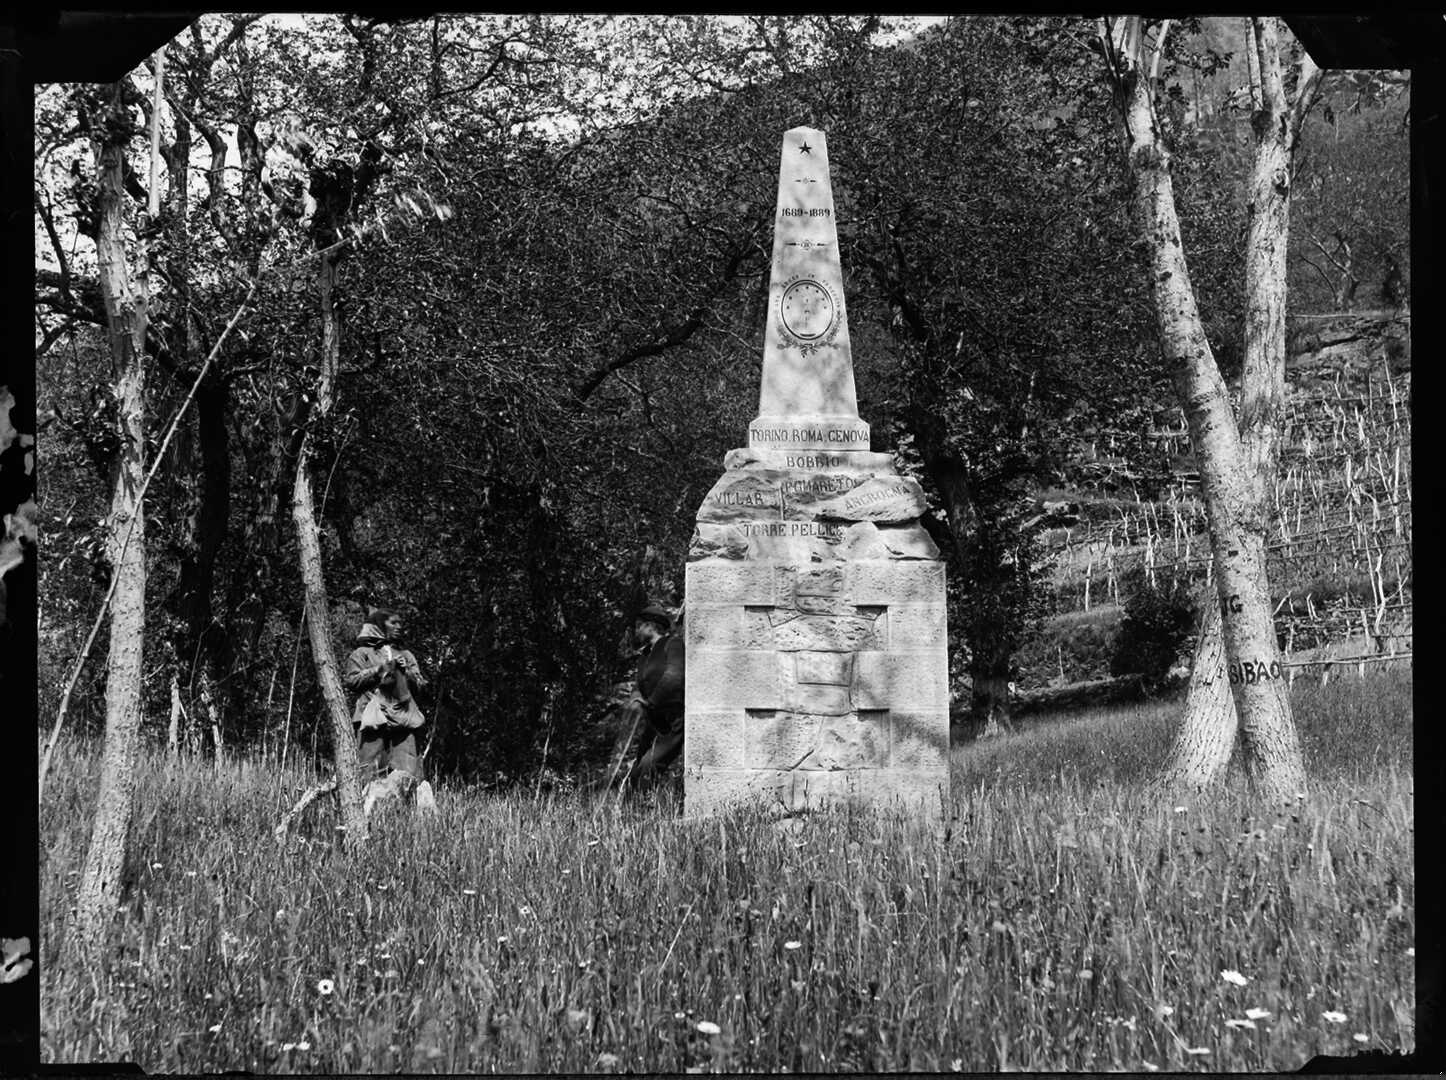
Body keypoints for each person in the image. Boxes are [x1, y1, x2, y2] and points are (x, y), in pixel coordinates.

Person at [343, 608, 428, 791]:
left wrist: (408, 673)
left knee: (407, 775)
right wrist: (379, 670)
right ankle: (365, 815)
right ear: (378, 626)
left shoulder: (406, 655)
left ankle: (405, 817)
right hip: (373, 719)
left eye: (400, 623)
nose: (399, 627)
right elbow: (351, 681)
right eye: (393, 623)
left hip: (404, 720)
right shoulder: (362, 653)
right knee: (369, 772)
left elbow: (421, 686)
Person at [621, 603, 685, 791]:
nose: (637, 631)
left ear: (651, 626)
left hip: (673, 722)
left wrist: (650, 702)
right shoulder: (645, 655)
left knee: (648, 768)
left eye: (640, 626)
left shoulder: (673, 644)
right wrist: (635, 700)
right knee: (635, 772)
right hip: (654, 722)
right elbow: (639, 684)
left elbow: (674, 677)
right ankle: (632, 817)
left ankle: (645, 813)